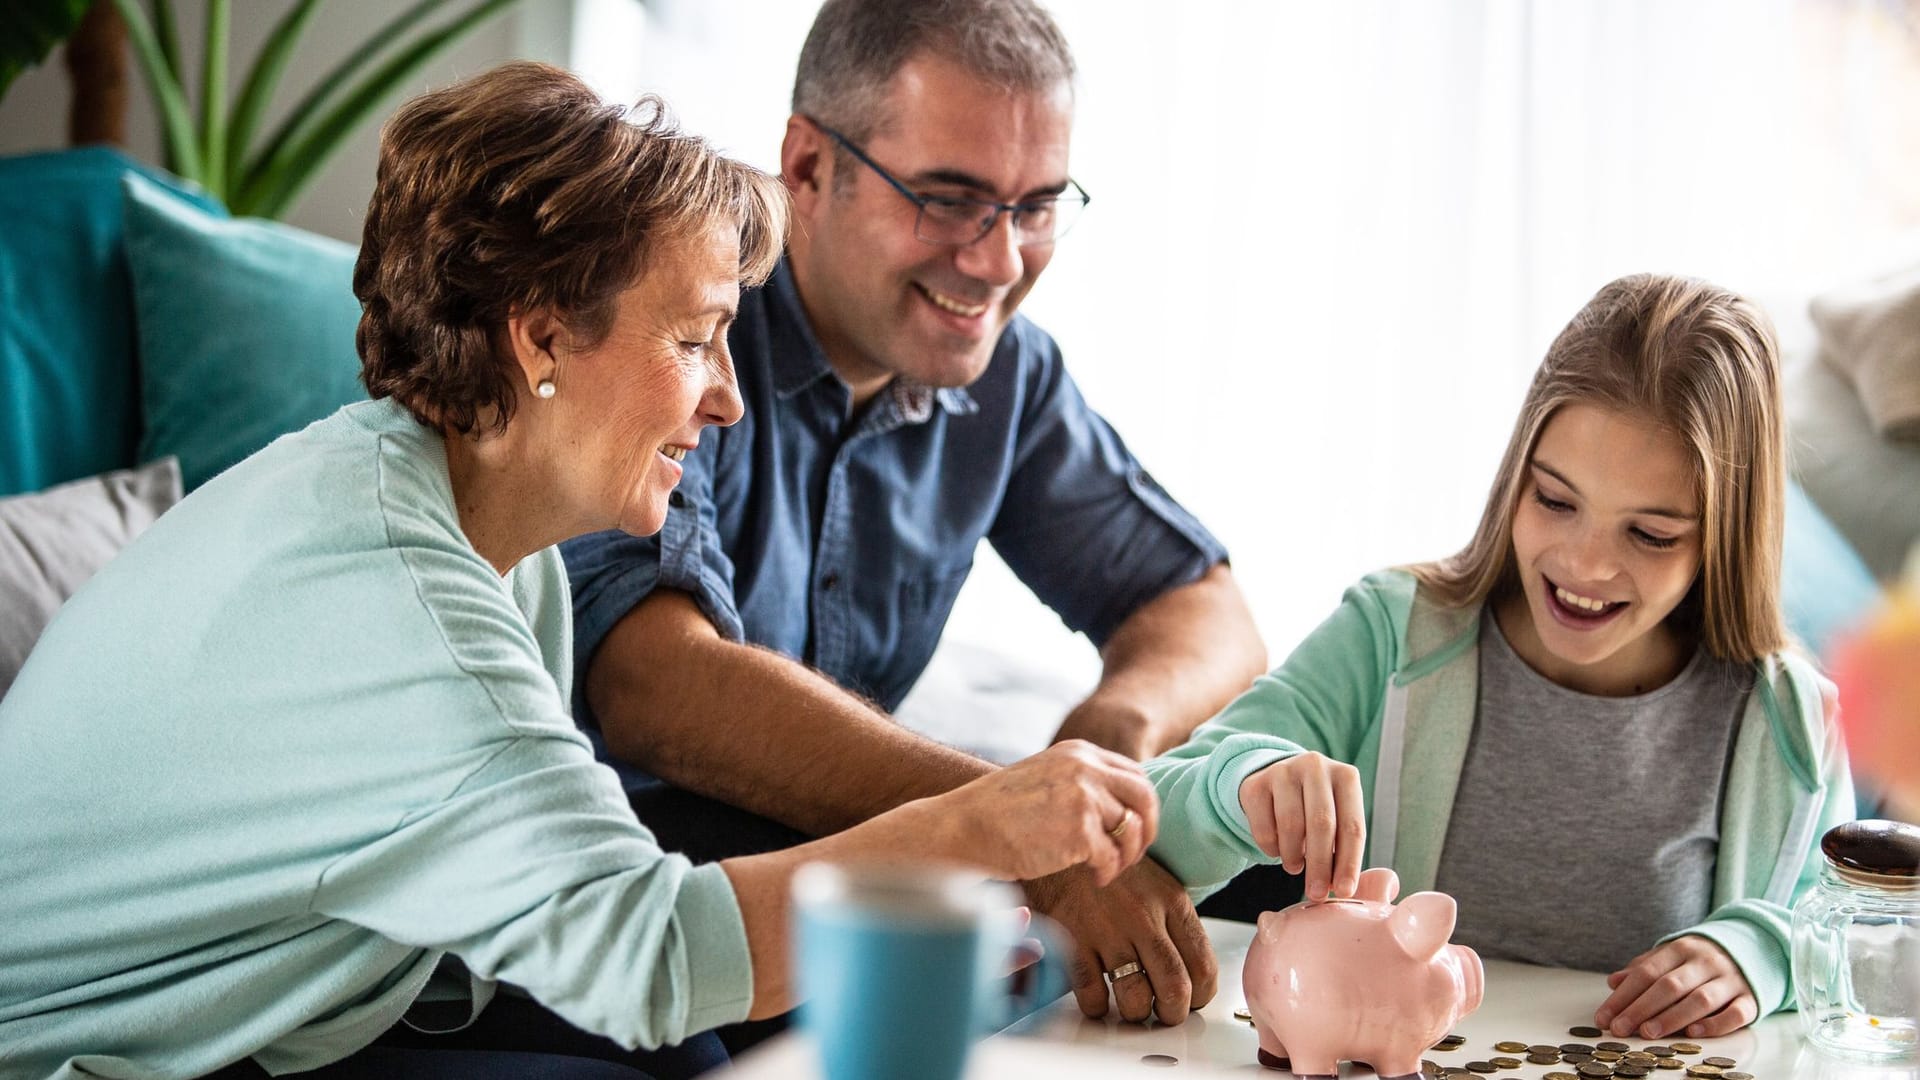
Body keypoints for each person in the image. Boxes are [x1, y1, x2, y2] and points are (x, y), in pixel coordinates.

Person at [0, 63, 1166, 1080]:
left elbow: (585, 916)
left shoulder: (457, 513)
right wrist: (978, 825)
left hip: (320, 1000)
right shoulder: (403, 604)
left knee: (690, 1047)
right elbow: (651, 958)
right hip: (101, 1053)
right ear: (543, 332)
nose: (728, 396)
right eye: (694, 338)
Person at [560, 0, 1268, 1026]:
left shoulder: (1005, 376)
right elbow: (657, 685)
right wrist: (1011, 829)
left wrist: (1100, 744)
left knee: (1264, 873)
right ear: (807, 169)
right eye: (948, 198)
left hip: (861, 899)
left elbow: (1207, 611)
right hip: (642, 914)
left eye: (1035, 205)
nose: (998, 260)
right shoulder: (681, 316)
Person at [1143, 274, 1856, 1041]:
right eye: (1555, 500)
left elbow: (1847, 938)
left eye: (1649, 535)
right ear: (1517, 474)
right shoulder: (1389, 634)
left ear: (1725, 535)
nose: (1584, 566)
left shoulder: (1789, 718)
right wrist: (1242, 782)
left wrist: (1760, 951)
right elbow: (1150, 818)